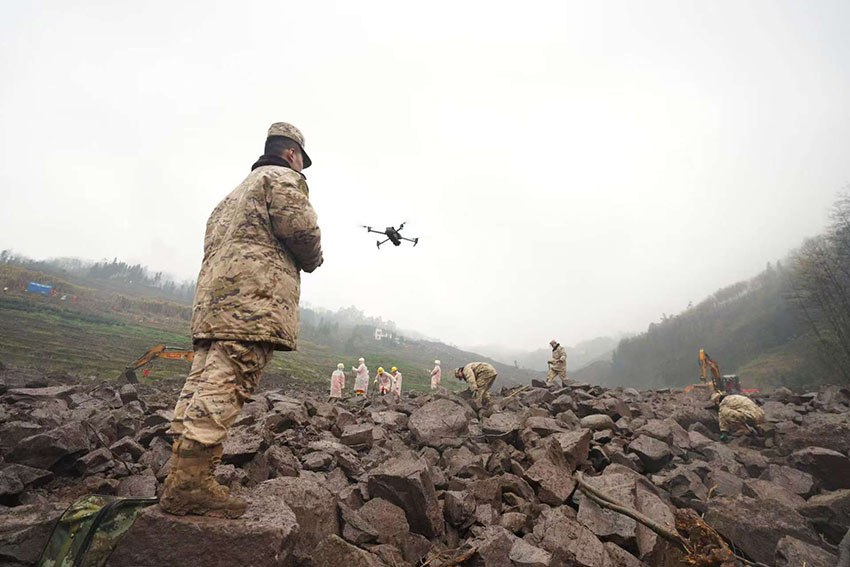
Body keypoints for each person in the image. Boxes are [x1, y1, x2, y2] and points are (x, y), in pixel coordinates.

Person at [160, 122, 322, 519]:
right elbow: (302, 234)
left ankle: (178, 472)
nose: (303, 167)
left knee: (202, 380)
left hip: (215, 303)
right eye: (302, 160)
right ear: (291, 154)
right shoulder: (282, 178)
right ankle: (191, 485)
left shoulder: (229, 197)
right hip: (254, 300)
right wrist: (315, 258)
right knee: (229, 380)